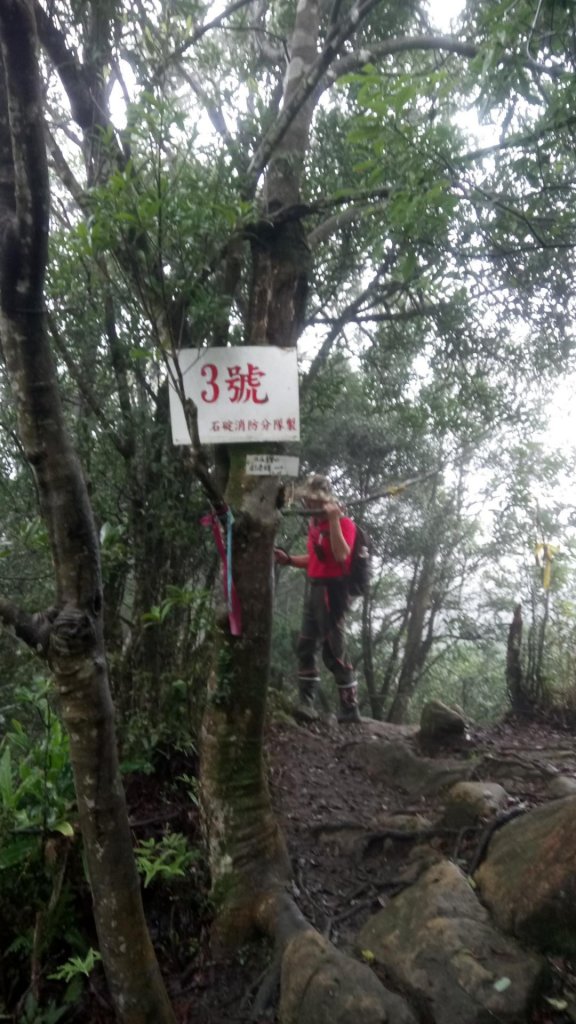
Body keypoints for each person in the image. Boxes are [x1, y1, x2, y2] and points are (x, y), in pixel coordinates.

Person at [275, 474, 361, 724]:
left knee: (334, 650)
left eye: (312, 501)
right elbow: (314, 560)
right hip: (313, 588)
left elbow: (341, 554)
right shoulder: (314, 524)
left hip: (332, 592)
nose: (307, 505)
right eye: (306, 500)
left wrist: (334, 520)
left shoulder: (344, 523)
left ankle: (349, 708)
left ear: (323, 501)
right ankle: (306, 704)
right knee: (305, 644)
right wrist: (289, 559)